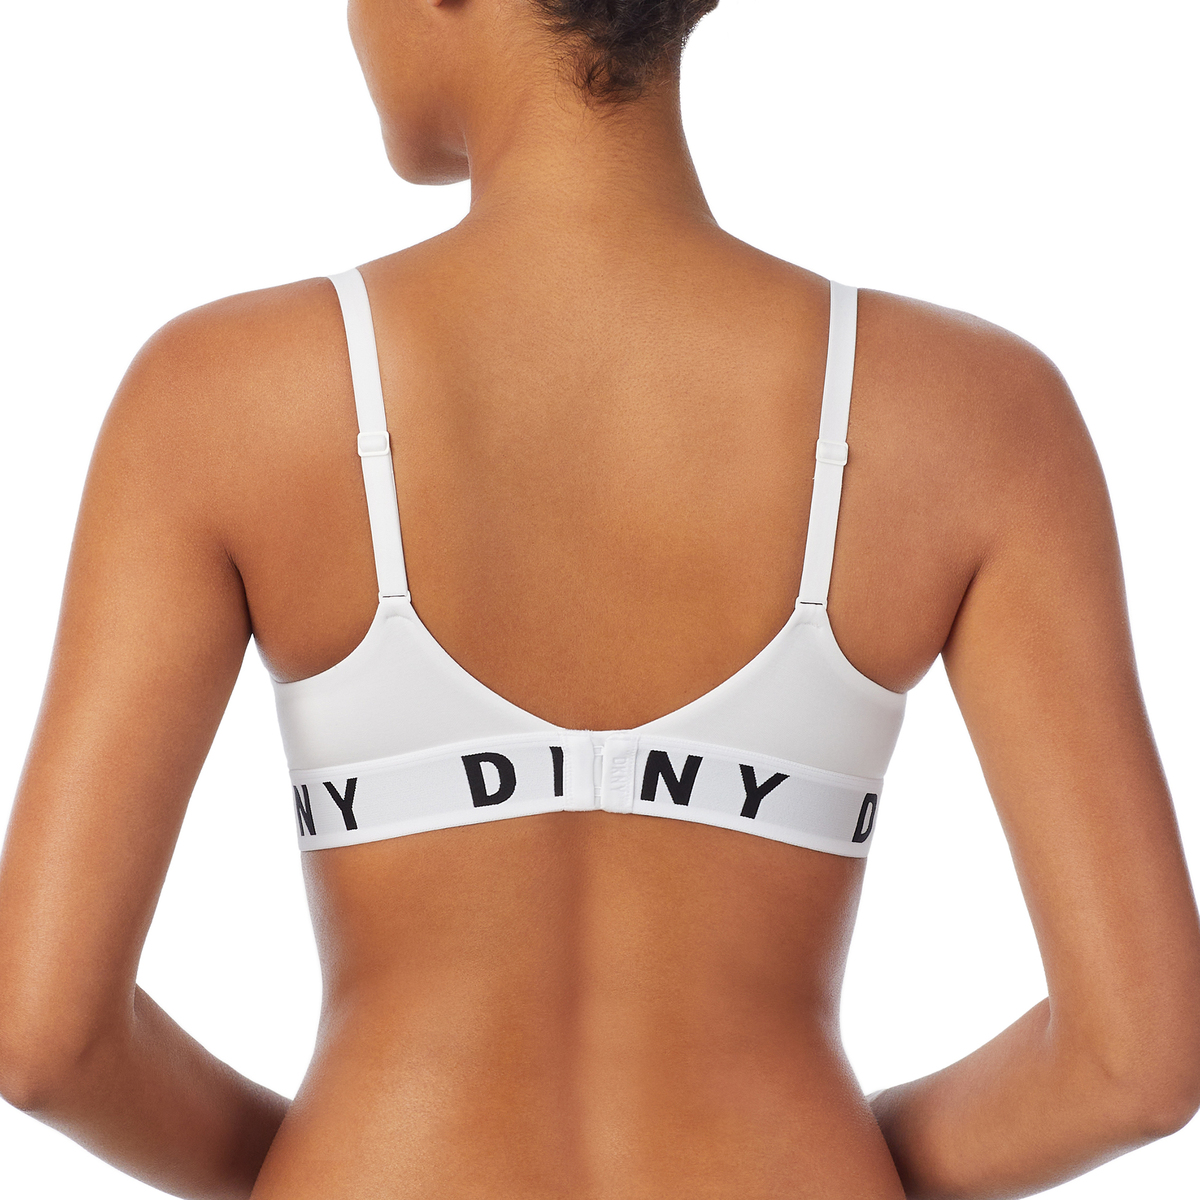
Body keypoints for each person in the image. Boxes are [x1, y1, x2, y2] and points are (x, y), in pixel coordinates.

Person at [1, 0, 1198, 1196]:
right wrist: (836, 1158)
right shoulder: (975, 413)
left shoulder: (221, 397)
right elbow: (1137, 1062)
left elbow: (46, 1039)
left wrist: (330, 1166)